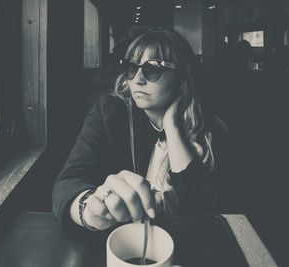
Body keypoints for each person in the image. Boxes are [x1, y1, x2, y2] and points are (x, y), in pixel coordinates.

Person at [52, 30, 229, 232]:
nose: (137, 79)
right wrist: (89, 210)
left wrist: (172, 126)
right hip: (116, 240)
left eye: (152, 69)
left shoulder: (211, 128)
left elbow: (200, 208)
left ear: (181, 79)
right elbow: (67, 182)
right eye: (131, 68)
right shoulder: (109, 113)